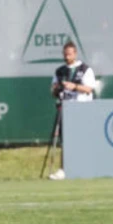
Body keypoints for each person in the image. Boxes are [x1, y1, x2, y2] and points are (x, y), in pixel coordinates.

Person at [48, 41, 96, 180]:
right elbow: (53, 90)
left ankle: (87, 167)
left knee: (84, 139)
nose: (67, 57)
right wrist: (57, 89)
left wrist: (74, 86)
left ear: (75, 53)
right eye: (65, 54)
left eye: (69, 54)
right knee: (66, 141)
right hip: (66, 109)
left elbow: (89, 89)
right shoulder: (60, 71)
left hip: (82, 109)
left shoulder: (85, 69)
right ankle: (64, 169)